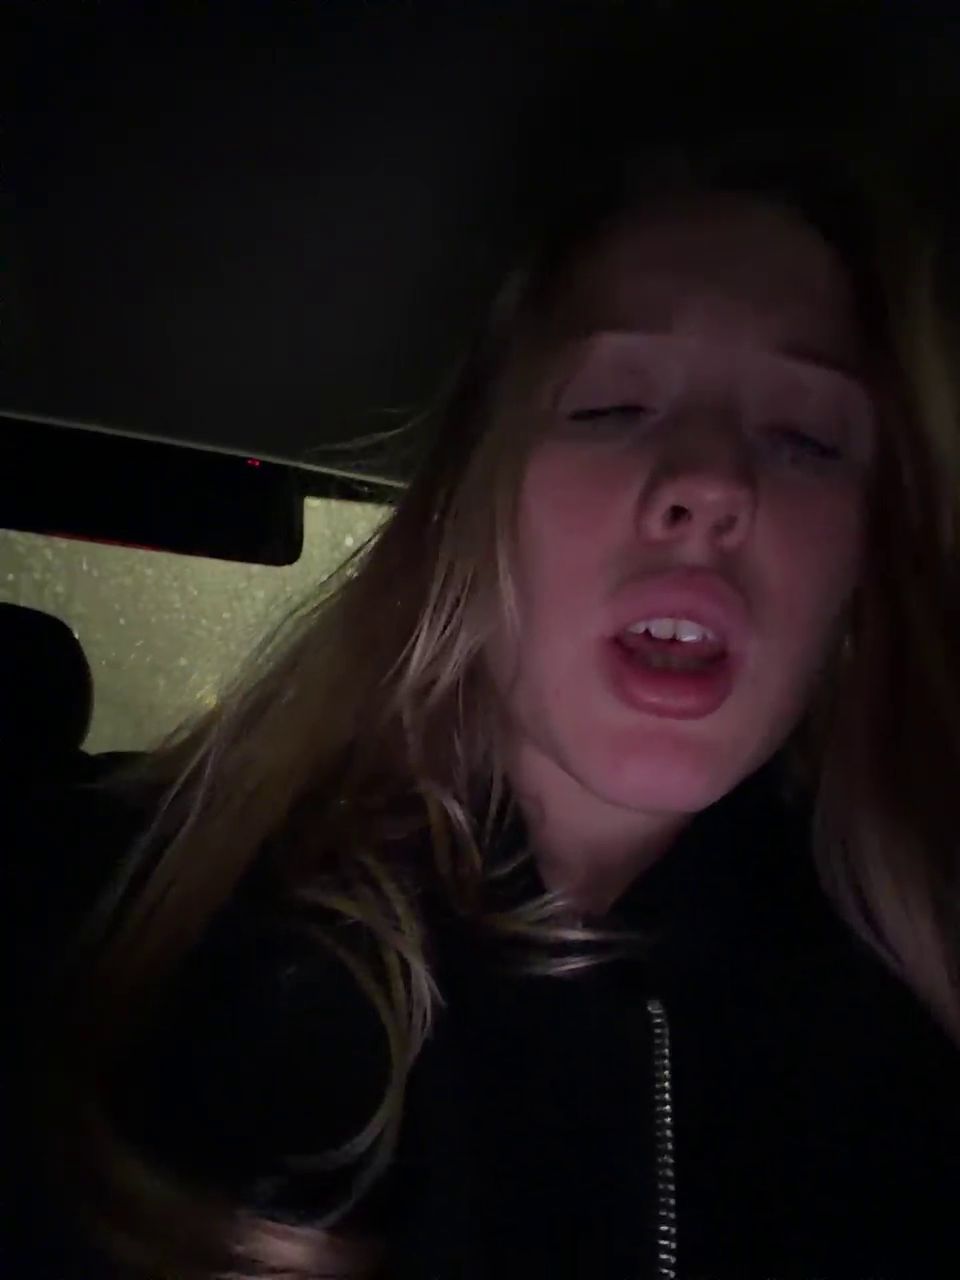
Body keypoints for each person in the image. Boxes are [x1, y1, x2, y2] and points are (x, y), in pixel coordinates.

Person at [30, 134, 960, 1280]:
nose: (713, 482)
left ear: (863, 566)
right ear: (475, 499)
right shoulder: (112, 928)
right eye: (612, 405)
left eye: (807, 436)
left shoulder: (906, 1036)